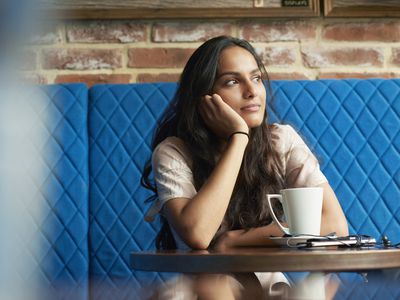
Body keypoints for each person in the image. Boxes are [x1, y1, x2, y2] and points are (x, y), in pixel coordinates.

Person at [142, 35, 348, 299]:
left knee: (323, 287)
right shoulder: (173, 152)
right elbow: (198, 234)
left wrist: (235, 240)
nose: (252, 91)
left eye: (257, 78)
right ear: (205, 97)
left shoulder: (280, 141)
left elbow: (334, 226)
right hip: (203, 289)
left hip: (271, 288)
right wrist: (238, 138)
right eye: (232, 81)